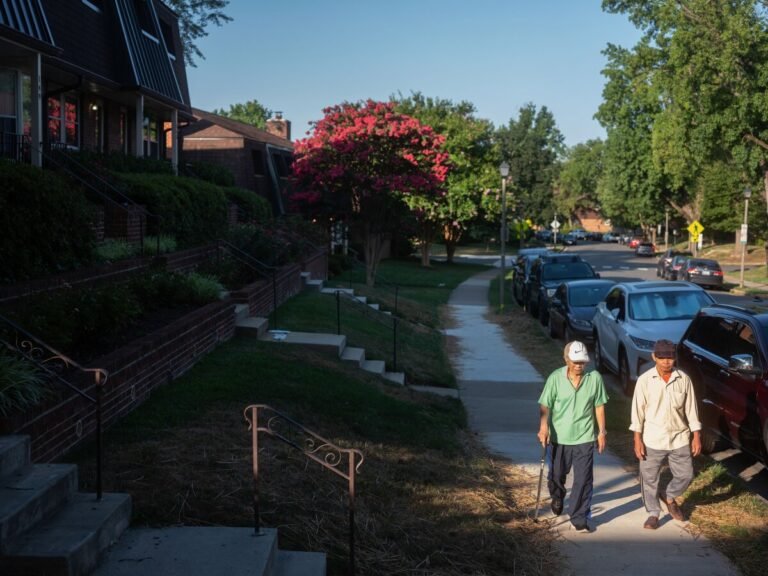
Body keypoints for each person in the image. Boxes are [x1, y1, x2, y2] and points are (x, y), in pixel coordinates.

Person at [630, 339, 702, 530]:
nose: (666, 362)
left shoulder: (683, 379)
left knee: (686, 475)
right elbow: (637, 412)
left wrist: (696, 435)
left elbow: (691, 410)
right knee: (649, 478)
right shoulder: (645, 380)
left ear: (674, 357)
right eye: (662, 357)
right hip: (652, 438)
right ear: (654, 357)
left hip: (679, 437)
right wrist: (637, 439)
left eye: (670, 357)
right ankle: (653, 513)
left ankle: (669, 497)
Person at [537, 341, 608, 532]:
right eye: (576, 362)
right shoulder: (555, 378)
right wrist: (543, 427)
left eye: (582, 362)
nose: (579, 366)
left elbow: (599, 406)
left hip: (584, 436)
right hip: (559, 437)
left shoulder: (594, 378)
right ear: (566, 359)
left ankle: (579, 516)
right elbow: (545, 405)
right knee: (557, 475)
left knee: (583, 479)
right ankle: (557, 496)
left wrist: (601, 431)